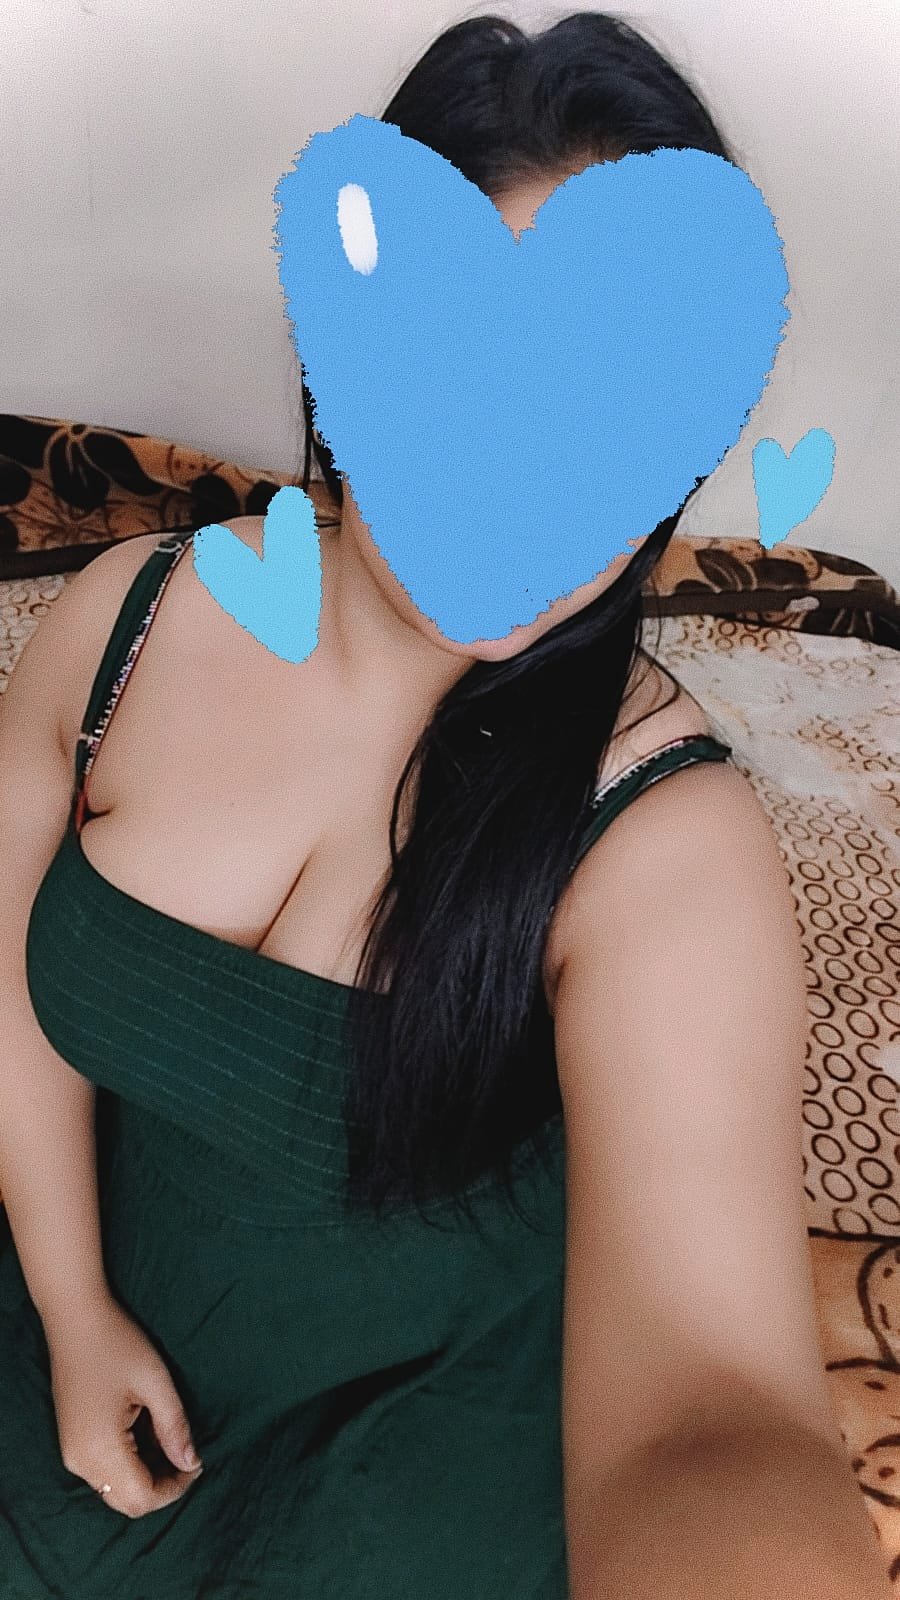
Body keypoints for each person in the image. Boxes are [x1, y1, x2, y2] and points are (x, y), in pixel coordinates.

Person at [0, 11, 890, 1600]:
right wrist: (72, 1306)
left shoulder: (666, 841)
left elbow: (716, 1412)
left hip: (396, 1502)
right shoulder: (119, 627)